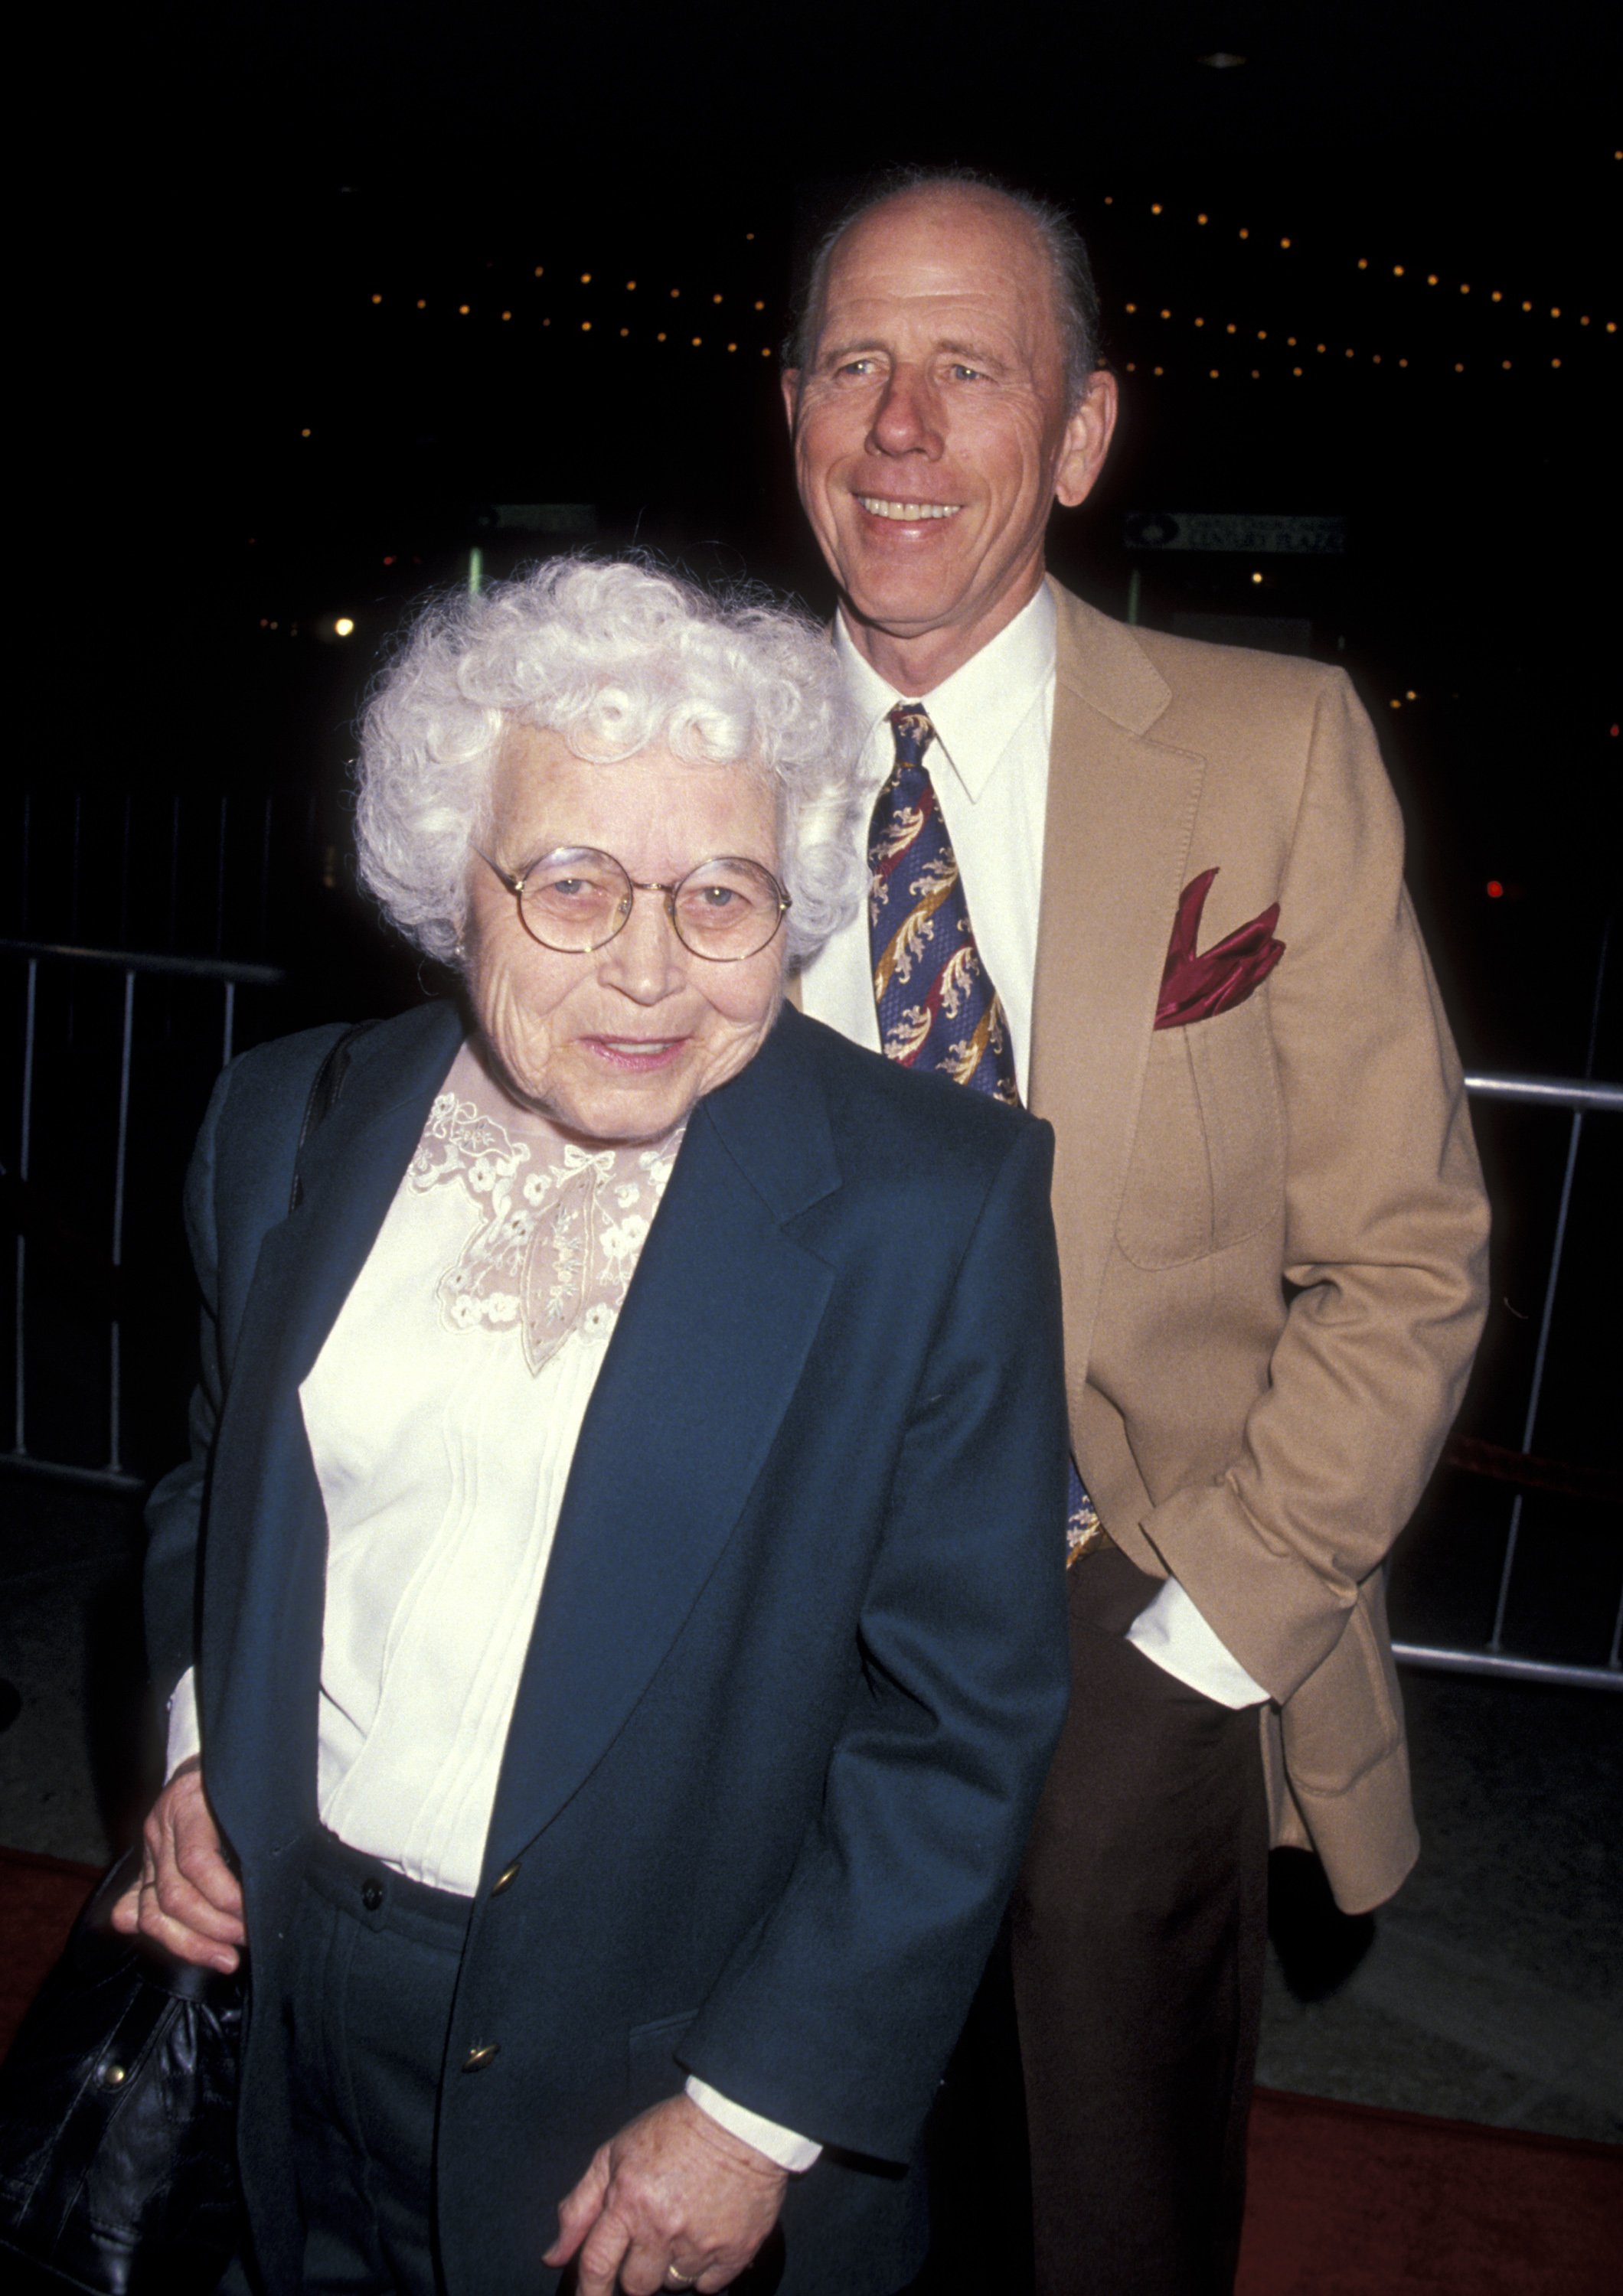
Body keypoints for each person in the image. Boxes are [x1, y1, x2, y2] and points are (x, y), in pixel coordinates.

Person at [113, 557, 1073, 2296]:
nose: (651, 973)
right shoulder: (282, 1125)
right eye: (571, 883)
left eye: (719, 895)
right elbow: (209, 1485)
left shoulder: (932, 1207)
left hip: (655, 2052)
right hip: (290, 1977)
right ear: (445, 884)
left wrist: (756, 2109)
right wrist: (200, 1740)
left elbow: (964, 1717)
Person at [781, 169, 1491, 2294]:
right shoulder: (675, 755)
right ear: (792, 411)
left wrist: (1207, 1639)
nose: (903, 428)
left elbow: (1411, 1253)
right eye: (854, 366)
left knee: (1095, 2224)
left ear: (1081, 436)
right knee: (748, 2187)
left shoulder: (1269, 756)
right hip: (757, 1578)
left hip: (1118, 1578)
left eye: (969, 371)